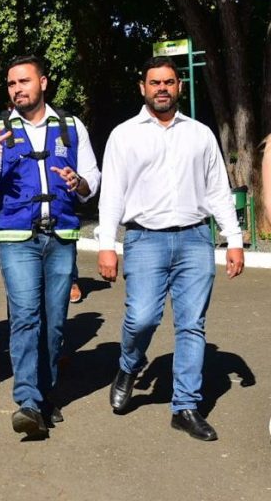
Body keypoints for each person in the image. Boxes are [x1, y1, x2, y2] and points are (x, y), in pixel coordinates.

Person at [98, 56, 244, 441]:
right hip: (145, 239)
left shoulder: (200, 134)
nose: (161, 88)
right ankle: (129, 366)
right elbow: (112, 193)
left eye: (168, 82)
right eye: (154, 82)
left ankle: (185, 406)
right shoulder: (124, 135)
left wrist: (234, 240)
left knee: (191, 324)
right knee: (142, 317)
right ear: (142, 88)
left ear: (180, 86)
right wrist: (107, 245)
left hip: (195, 239)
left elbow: (217, 190)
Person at [0, 55, 100, 438]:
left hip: (61, 235)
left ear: (42, 83)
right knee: (26, 315)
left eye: (24, 81)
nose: (17, 89)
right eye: (11, 84)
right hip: (17, 237)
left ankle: (45, 396)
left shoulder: (70, 125)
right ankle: (28, 401)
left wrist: (76, 181)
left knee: (55, 319)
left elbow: (90, 183)